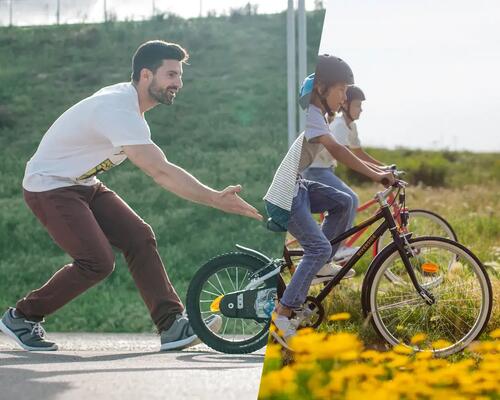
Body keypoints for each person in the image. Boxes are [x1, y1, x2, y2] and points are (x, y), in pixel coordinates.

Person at [0, 40, 262, 352]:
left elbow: (157, 167)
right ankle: (22, 316)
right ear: (146, 75)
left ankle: (172, 325)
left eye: (179, 76)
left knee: (139, 236)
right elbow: (160, 171)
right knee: (97, 261)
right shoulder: (118, 110)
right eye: (171, 75)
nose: (178, 83)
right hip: (49, 186)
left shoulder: (130, 109)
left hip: (83, 183)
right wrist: (216, 198)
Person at [264, 55, 394, 349]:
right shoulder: (311, 114)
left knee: (346, 202)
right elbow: (338, 151)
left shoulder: (321, 117)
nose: (345, 96)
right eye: (341, 90)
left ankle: (321, 263)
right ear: (321, 89)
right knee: (318, 247)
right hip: (286, 193)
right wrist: (377, 175)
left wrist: (379, 171)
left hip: (299, 186)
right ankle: (283, 317)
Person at [303, 84, 387, 262]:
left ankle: (330, 249)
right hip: (315, 170)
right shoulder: (340, 125)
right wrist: (377, 174)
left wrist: (383, 168)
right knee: (351, 198)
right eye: (357, 105)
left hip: (326, 169)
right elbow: (344, 154)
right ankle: (338, 248)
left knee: (346, 201)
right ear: (345, 106)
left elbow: (359, 153)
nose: (361, 109)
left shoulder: (351, 126)